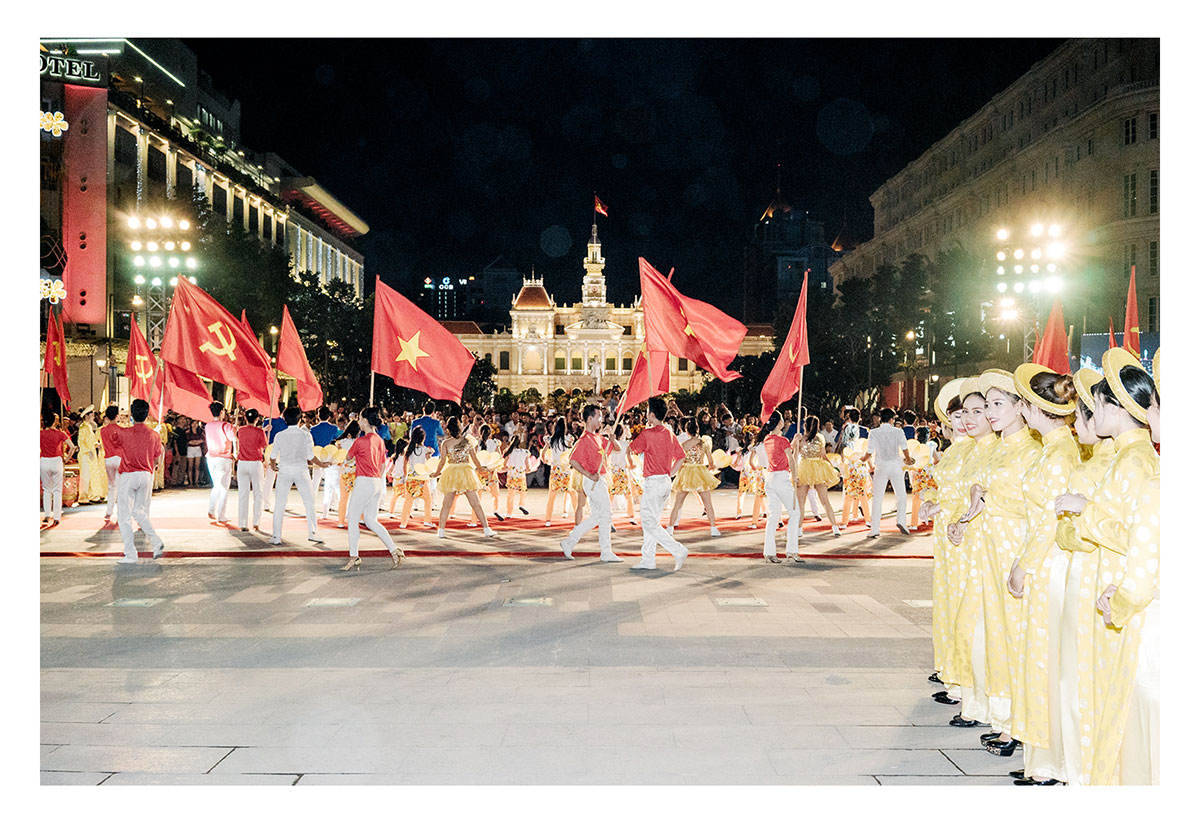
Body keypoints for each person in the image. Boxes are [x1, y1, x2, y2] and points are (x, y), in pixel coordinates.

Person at [1055, 349, 1159, 784]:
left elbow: (1138, 536)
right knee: (1095, 686)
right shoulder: (1119, 457)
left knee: (1114, 694)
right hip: (1098, 578)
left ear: (1117, 405)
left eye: (1097, 404)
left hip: (1118, 587)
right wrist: (1080, 524)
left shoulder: (1137, 463)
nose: (1089, 413)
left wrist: (1086, 513)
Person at [1005, 364, 1081, 785]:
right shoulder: (1054, 449)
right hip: (1041, 560)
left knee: (1047, 659)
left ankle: (1052, 761)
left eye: (1019, 400)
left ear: (1033, 407)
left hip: (1049, 565)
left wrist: (1024, 564)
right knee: (1037, 658)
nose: (1018, 408)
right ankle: (1043, 757)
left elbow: (1051, 523)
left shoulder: (1060, 453)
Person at [917, 378, 971, 702]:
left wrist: (943, 504)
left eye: (967, 414)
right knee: (948, 599)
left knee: (962, 602)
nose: (961, 422)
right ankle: (949, 666)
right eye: (955, 417)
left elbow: (975, 494)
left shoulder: (977, 452)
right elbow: (949, 488)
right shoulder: (955, 451)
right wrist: (931, 497)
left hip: (964, 536)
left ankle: (961, 674)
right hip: (945, 535)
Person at [627, 397, 689, 571]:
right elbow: (681, 456)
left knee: (648, 522)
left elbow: (633, 449)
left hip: (654, 482)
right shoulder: (669, 433)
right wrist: (670, 473)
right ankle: (648, 559)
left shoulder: (648, 434)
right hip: (664, 481)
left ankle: (678, 550)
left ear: (651, 415)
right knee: (652, 521)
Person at [342, 407, 402, 571]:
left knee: (353, 520)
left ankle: (354, 556)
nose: (358, 421)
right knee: (371, 520)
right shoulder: (379, 440)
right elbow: (383, 465)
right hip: (376, 482)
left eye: (360, 418)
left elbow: (347, 458)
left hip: (364, 482)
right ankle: (394, 550)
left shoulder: (360, 441)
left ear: (366, 421)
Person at [560, 404, 622, 562]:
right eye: (598, 417)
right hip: (593, 481)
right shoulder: (584, 439)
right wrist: (588, 474)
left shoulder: (598, 437)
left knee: (598, 516)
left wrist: (612, 439)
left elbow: (617, 449)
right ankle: (605, 552)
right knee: (606, 514)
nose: (601, 419)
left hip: (599, 479)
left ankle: (570, 541)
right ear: (589, 419)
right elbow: (573, 460)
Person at [110, 399, 165, 563]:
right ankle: (155, 541)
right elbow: (157, 456)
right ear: (147, 414)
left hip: (129, 474)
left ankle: (130, 554)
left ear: (132, 414)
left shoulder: (124, 433)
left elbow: (114, 440)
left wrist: (125, 423)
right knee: (139, 512)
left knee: (124, 515)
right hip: (146, 474)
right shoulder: (154, 435)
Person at [431, 416, 497, 539]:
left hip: (451, 472)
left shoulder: (446, 443)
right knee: (475, 503)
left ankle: (441, 531)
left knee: (446, 504)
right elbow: (475, 459)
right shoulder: (467, 441)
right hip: (466, 472)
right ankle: (487, 529)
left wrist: (436, 473)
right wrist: (482, 469)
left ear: (449, 428)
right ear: (459, 426)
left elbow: (442, 461)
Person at [268, 406, 326, 546]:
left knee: (280, 504)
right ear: (300, 419)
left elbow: (273, 456)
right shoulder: (305, 435)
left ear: (284, 419)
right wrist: (322, 464)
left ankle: (276, 536)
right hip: (301, 471)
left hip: (284, 471)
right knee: (309, 502)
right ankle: (313, 533)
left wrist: (273, 465)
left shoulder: (279, 435)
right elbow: (310, 456)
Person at [666, 418, 722, 538]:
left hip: (686, 472)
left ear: (687, 431)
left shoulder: (684, 445)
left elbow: (677, 460)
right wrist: (711, 467)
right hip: (700, 472)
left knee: (677, 503)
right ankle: (713, 528)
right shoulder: (704, 443)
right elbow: (711, 462)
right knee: (708, 503)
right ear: (698, 429)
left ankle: (670, 528)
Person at [758, 411, 801, 563]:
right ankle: (792, 550)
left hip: (770, 478)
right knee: (795, 513)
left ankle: (769, 552)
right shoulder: (782, 440)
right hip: (781, 478)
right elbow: (791, 459)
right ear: (779, 423)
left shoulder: (767, 439)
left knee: (773, 515)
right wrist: (795, 476)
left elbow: (786, 453)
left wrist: (794, 442)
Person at [866, 408, 914, 538]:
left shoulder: (874, 432)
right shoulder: (898, 431)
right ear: (892, 419)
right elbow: (905, 448)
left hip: (881, 466)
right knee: (901, 495)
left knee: (878, 498)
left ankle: (875, 528)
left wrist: (861, 460)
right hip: (895, 465)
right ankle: (901, 521)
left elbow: (869, 451)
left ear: (881, 418)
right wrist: (908, 460)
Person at [791, 414, 842, 536]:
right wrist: (833, 467)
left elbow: (793, 455)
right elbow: (823, 456)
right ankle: (835, 527)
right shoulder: (820, 438)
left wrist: (792, 470)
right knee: (825, 500)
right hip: (819, 468)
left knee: (801, 502)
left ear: (805, 425)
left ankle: (798, 529)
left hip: (804, 469)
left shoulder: (800, 439)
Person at [392, 425, 434, 528]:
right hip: (422, 478)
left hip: (411, 478)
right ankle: (427, 520)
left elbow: (404, 465)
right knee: (428, 499)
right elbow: (428, 461)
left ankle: (403, 523)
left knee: (408, 501)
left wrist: (407, 476)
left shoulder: (408, 449)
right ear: (422, 438)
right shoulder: (425, 450)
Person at [236, 408, 269, 533]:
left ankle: (242, 523)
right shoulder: (259, 432)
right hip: (255, 463)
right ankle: (256, 522)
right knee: (258, 493)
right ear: (257, 419)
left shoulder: (241, 430)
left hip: (243, 463)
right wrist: (264, 432)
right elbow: (264, 446)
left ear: (245, 418)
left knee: (243, 494)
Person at [40, 411, 75, 526]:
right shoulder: (60, 433)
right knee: (57, 490)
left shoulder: (39, 434)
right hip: (57, 461)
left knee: (46, 489)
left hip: (44, 460)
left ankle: (46, 515)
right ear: (54, 422)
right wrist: (66, 458)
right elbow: (72, 447)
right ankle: (56, 517)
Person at [204, 402, 236, 524]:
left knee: (217, 485)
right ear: (222, 411)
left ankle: (212, 509)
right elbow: (233, 439)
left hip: (211, 458)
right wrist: (236, 452)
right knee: (223, 488)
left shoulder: (208, 426)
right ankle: (221, 515)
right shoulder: (226, 426)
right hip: (223, 458)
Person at [544, 417, 576, 526]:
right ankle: (578, 518)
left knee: (551, 496)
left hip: (555, 470)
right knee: (572, 494)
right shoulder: (569, 439)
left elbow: (543, 454)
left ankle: (548, 519)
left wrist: (547, 460)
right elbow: (572, 453)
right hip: (566, 469)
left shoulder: (551, 439)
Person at [608, 424, 642, 525]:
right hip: (623, 472)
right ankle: (631, 516)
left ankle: (607, 516)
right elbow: (629, 458)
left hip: (613, 472)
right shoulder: (625, 444)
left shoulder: (610, 444)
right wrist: (632, 465)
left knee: (611, 494)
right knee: (628, 495)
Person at [309, 406, 342, 509]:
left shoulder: (313, 429)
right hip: (329, 457)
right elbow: (337, 441)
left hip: (317, 456)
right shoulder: (334, 428)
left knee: (315, 481)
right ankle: (331, 504)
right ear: (329, 416)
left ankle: (311, 502)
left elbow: (311, 443)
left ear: (318, 416)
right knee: (331, 482)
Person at [75, 406, 106, 504]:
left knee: (91, 475)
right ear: (87, 416)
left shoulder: (88, 426)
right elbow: (81, 442)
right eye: (92, 414)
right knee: (85, 476)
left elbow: (90, 441)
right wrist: (88, 451)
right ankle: (83, 497)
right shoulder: (84, 427)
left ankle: (92, 495)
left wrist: (96, 445)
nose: (93, 416)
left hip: (90, 454)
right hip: (85, 455)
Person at [99, 406, 124, 522]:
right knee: (120, 487)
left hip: (108, 458)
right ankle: (120, 512)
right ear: (116, 415)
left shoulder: (102, 430)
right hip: (119, 458)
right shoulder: (122, 430)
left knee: (111, 486)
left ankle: (109, 511)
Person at [503, 430, 534, 518]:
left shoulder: (508, 452)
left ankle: (509, 513)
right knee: (523, 492)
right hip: (520, 475)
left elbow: (504, 465)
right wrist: (528, 470)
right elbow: (528, 466)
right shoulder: (524, 452)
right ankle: (521, 505)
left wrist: (503, 469)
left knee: (510, 495)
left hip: (511, 475)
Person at [185, 420, 204, 486]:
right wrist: (197, 442)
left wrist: (195, 442)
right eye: (193, 423)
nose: (194, 425)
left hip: (197, 449)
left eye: (196, 423)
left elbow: (202, 440)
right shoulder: (188, 432)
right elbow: (189, 441)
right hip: (190, 449)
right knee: (190, 466)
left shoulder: (200, 432)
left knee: (197, 466)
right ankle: (190, 481)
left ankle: (196, 481)